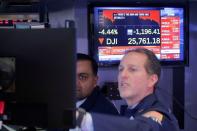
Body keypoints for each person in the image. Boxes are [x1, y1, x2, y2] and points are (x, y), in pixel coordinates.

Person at [77, 48, 180, 131]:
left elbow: (144, 127)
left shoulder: (158, 115)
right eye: (121, 69)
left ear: (152, 80)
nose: (123, 75)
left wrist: (84, 120)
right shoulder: (131, 111)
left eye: (133, 69)